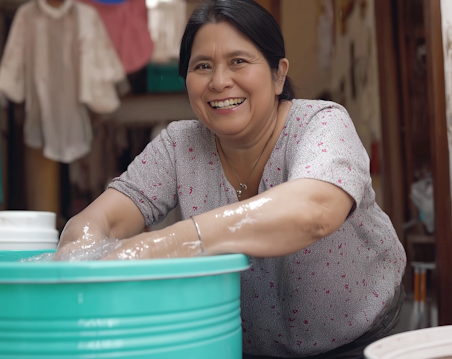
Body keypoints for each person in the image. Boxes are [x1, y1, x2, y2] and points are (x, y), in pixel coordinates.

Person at [54, 0, 406, 357]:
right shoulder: (180, 145)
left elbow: (314, 210)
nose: (220, 82)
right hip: (240, 349)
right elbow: (99, 220)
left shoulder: (322, 124)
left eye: (238, 61)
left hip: (362, 343)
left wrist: (162, 245)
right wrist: (80, 253)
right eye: (202, 66)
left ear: (278, 73)